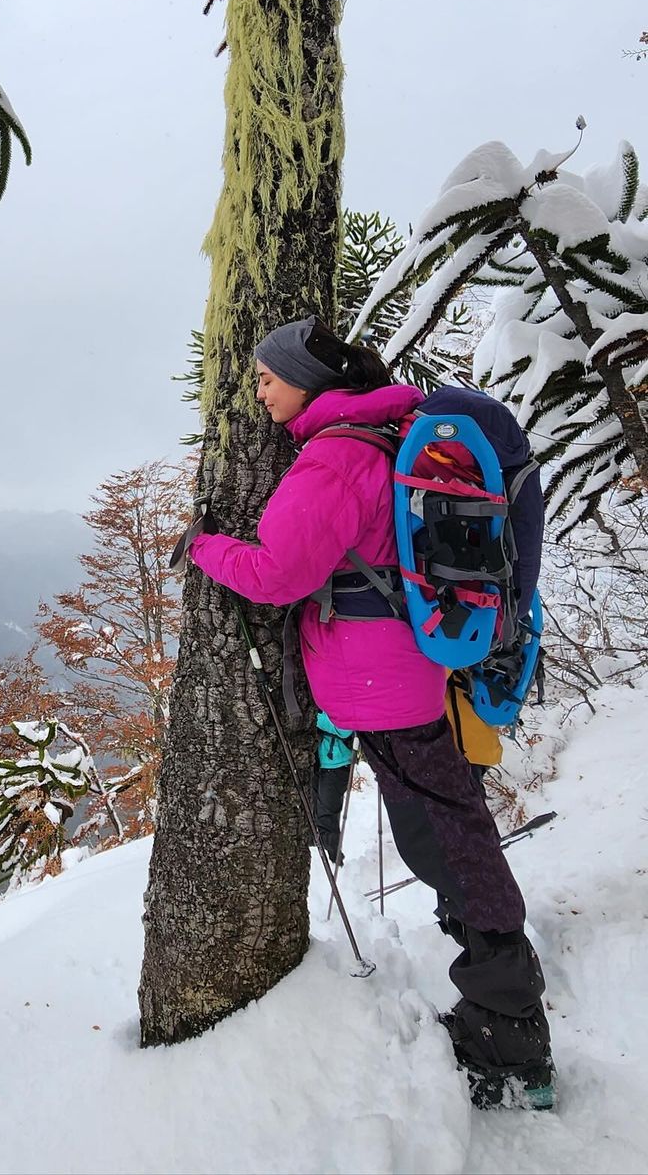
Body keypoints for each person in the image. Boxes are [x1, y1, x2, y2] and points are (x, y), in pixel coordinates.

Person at [184, 316, 553, 1111]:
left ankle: (508, 1021)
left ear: (308, 382)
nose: (258, 389)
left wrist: (205, 548)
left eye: (266, 376)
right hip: (406, 672)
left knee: (444, 838)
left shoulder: (335, 456)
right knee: (450, 827)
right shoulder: (382, 434)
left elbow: (280, 571)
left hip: (379, 684)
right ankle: (503, 1002)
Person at [312, 712, 354, 862]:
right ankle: (324, 851)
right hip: (318, 763)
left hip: (337, 764)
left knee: (326, 813)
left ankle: (336, 859)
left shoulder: (341, 701)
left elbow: (345, 729)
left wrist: (312, 716)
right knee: (315, 809)